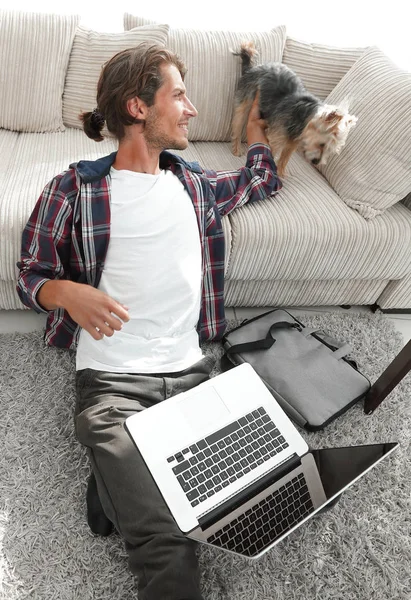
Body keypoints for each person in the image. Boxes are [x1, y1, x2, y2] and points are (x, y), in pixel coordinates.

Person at [17, 42, 281, 600]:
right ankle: (127, 477)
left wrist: (258, 131)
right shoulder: (76, 189)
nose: (191, 111)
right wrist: (67, 292)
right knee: (168, 539)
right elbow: (30, 274)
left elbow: (260, 180)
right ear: (138, 108)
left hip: (193, 377)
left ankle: (117, 487)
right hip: (113, 384)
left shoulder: (195, 186)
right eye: (179, 96)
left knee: (248, 494)